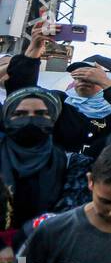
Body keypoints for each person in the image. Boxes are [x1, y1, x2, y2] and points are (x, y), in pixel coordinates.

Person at [6, 24, 111, 157]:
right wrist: (32, 52)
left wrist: (107, 84)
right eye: (78, 74)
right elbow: (22, 95)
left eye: (90, 74)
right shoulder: (60, 103)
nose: (83, 78)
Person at [0, 87, 94, 226]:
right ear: (7, 118)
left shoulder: (73, 165)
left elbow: (71, 217)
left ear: (53, 119)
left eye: (41, 114)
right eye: (20, 114)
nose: (30, 119)